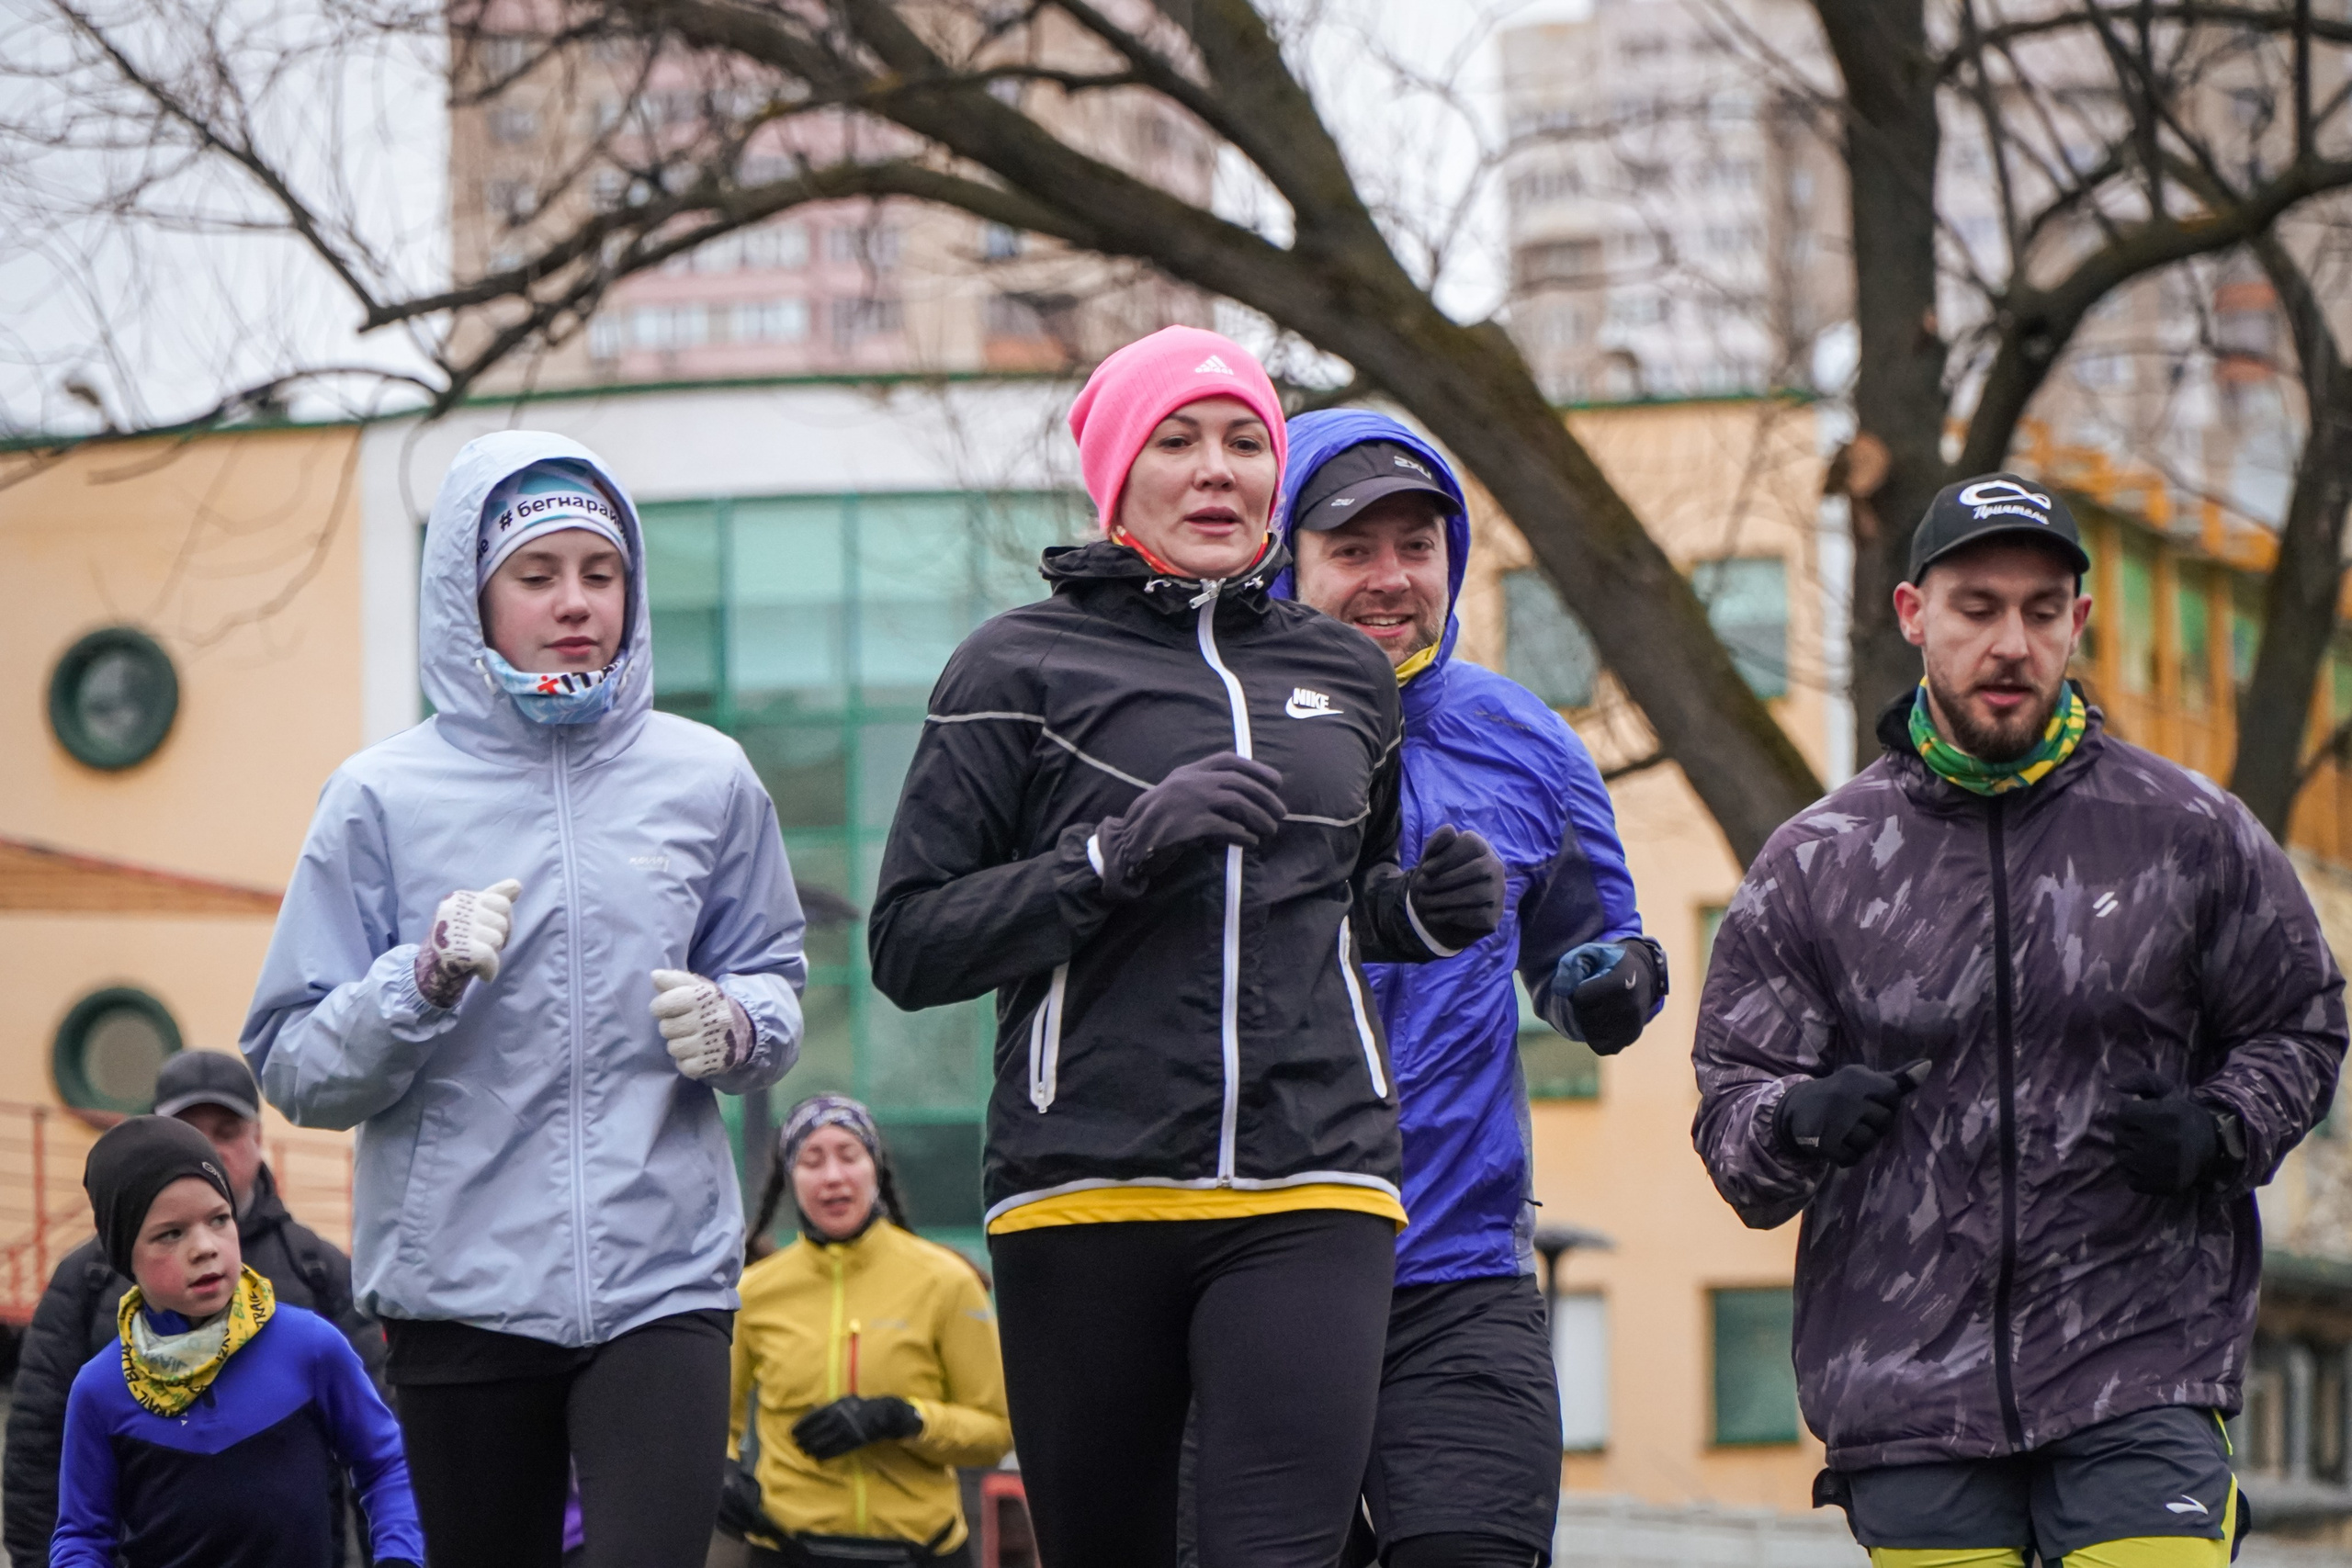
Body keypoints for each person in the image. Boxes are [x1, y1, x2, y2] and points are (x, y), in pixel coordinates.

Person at [867, 325, 1506, 1568]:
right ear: (1117, 476)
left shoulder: (1342, 674)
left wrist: (1419, 912)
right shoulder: (1016, 665)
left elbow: (1335, 895)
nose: (1218, 469)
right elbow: (909, 941)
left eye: (1244, 441)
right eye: (1179, 440)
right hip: (1085, 1182)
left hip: (1313, 1179)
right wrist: (1111, 856)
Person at [1693, 474, 2348, 1568]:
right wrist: (1798, 1119)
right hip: (1908, 1394)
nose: (2011, 644)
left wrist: (2222, 1129)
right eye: (1977, 609)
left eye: (2042, 613)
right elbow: (1731, 1117)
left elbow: (2302, 1025)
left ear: (2077, 624)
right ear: (1912, 615)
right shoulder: (1818, 863)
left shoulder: (2188, 832)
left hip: (2140, 1361)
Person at [241, 432, 808, 1568]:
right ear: (472, 593)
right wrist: (422, 977)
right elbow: (293, 1061)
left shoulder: (706, 776)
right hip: (459, 1291)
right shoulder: (378, 797)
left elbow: (777, 976)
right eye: (537, 575)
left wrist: (741, 1024)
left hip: (665, 1283)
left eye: (600, 574)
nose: (575, 604)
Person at [1276, 411, 1663, 1568]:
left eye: (1418, 544)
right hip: (1257, 1273)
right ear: (1282, 560)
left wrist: (1612, 985)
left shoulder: (1526, 741)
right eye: (1351, 549)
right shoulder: (1217, 729)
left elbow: (1593, 949)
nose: (1391, 579)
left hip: (1459, 1272)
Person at [6, 1050, 381, 1568]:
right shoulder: (87, 1281)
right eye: (188, 1129)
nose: (211, 1149)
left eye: (227, 1130)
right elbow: (38, 1447)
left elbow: (383, 1451)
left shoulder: (317, 1272)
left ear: (257, 1136)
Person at [723, 1095, 1011, 1565]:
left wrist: (904, 1418)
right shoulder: (753, 1293)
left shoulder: (947, 1281)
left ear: (875, 1168)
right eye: (812, 1160)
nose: (833, 1176)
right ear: (790, 1179)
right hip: (788, 1551)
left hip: (919, 1552)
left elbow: (996, 1433)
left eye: (848, 1155)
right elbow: (718, 1423)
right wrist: (723, 1475)